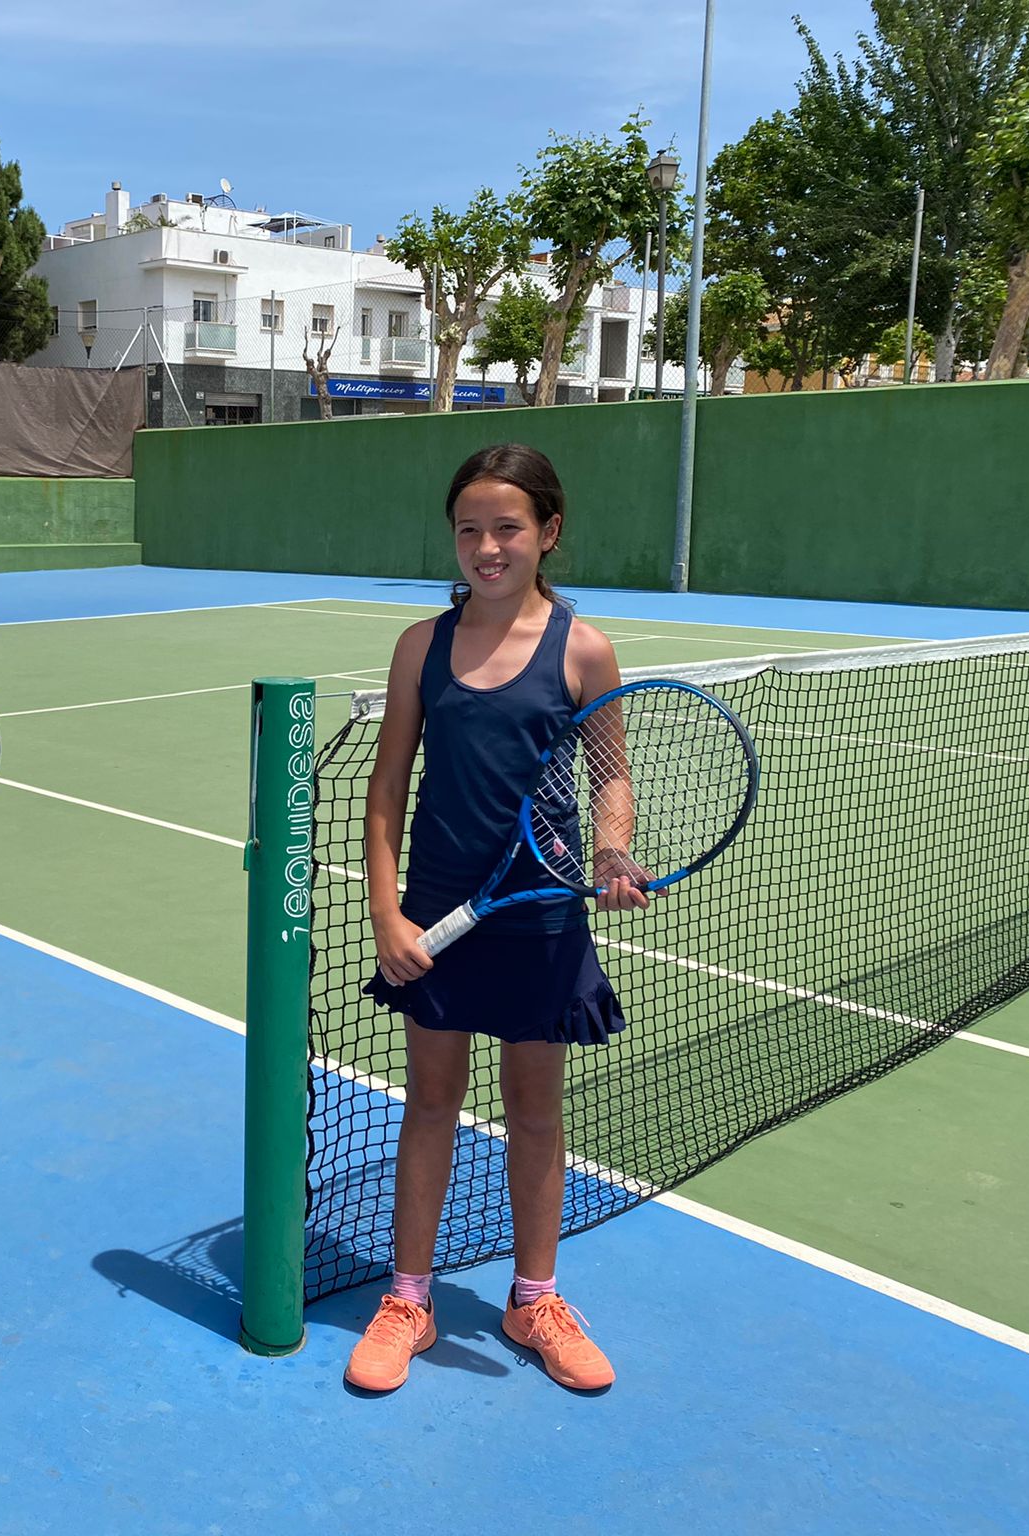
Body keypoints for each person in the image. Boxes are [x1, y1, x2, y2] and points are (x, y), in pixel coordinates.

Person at [347, 442, 647, 1395]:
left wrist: (611, 853)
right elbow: (386, 788)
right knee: (430, 1102)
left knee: (534, 1114)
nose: (487, 546)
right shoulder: (420, 646)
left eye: (508, 528)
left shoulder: (583, 649)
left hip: (541, 916)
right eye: (469, 528)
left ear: (548, 532)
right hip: (437, 911)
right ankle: (409, 1300)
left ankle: (534, 1300)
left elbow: (611, 776)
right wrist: (387, 912)